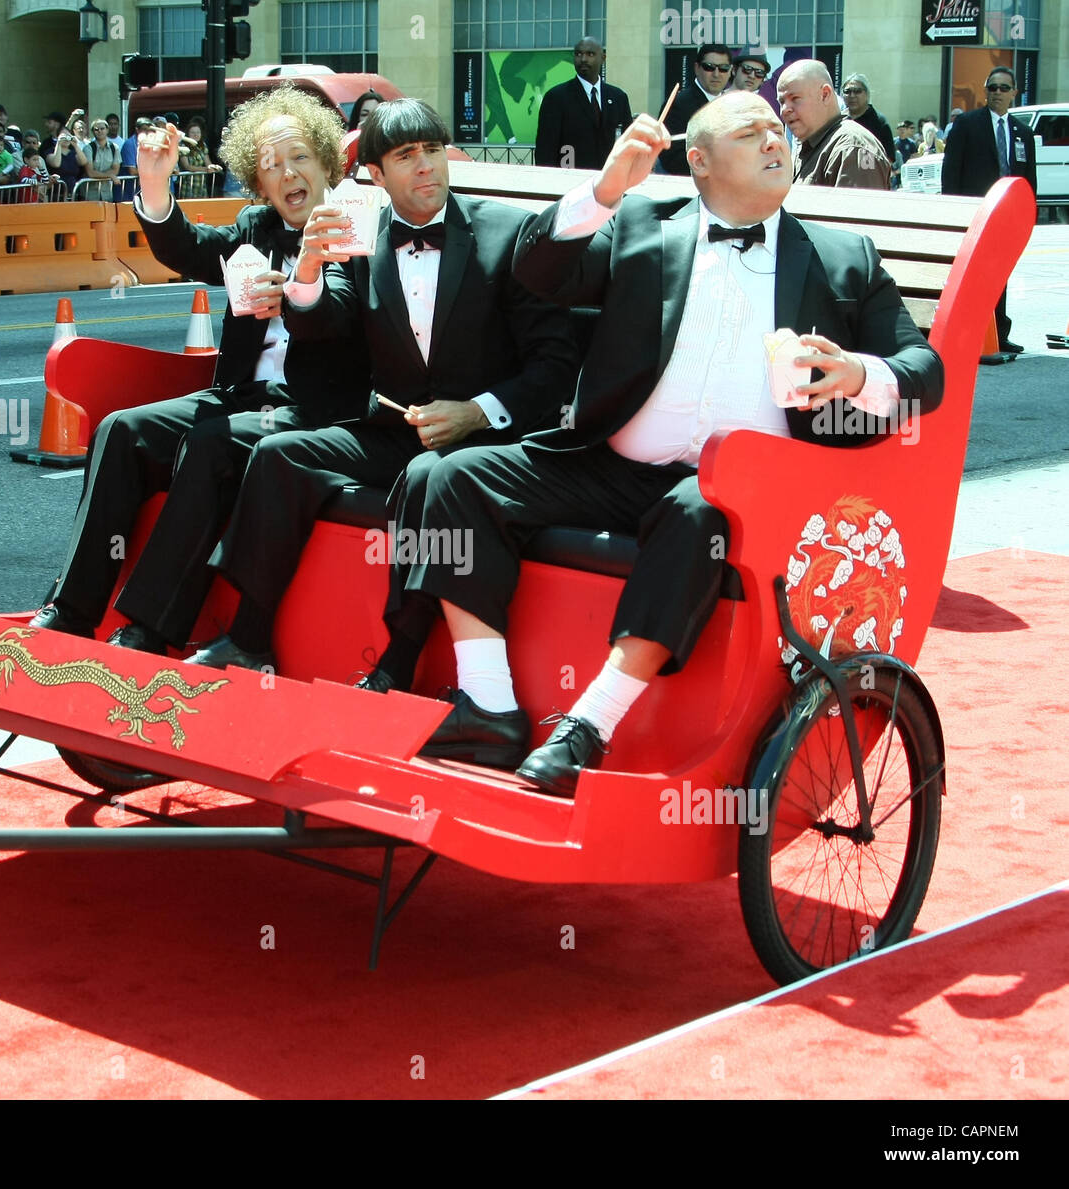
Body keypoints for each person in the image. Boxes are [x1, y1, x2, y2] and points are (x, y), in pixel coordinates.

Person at [401, 91, 944, 788]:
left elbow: (923, 371)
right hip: (614, 466)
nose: (774, 140)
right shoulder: (640, 225)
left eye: (778, 129)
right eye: (750, 133)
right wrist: (603, 190)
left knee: (697, 511)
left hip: (746, 493)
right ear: (700, 161)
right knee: (455, 477)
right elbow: (538, 271)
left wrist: (856, 374)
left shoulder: (845, 258)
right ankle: (491, 705)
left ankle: (588, 726)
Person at [189, 98, 576, 675]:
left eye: (432, 150)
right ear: (375, 174)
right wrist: (310, 269)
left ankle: (398, 661)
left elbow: (555, 363)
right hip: (399, 429)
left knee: (429, 479)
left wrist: (476, 411)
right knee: (278, 456)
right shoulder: (359, 234)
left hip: (490, 438)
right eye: (405, 156)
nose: (426, 167)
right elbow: (326, 321)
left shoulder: (507, 230)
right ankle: (249, 635)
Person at [29, 86, 371, 650]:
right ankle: (70, 609)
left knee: (214, 443)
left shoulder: (353, 223)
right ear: (257, 182)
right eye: (271, 166)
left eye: (299, 158)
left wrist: (292, 291)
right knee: (122, 431)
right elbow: (188, 248)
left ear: (327, 161)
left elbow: (348, 313)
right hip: (243, 394)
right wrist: (156, 183)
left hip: (317, 408)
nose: (288, 174)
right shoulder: (257, 225)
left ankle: (152, 629)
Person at [941, 67, 1035, 353]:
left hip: (1007, 216)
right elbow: (951, 171)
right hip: (975, 213)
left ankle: (999, 334)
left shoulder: (1023, 132)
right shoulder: (968, 124)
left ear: (1014, 93)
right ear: (986, 91)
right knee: (973, 276)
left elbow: (1029, 178)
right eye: (992, 87)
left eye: (1003, 88)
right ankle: (971, 336)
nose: (997, 93)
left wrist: (1027, 217)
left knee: (1000, 275)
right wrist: (954, 212)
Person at [777, 59, 890, 189]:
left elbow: (857, 208)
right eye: (781, 101)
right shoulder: (807, 147)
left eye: (795, 98)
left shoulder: (852, 149)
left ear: (825, 95)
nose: (785, 109)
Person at [534, 36, 632, 170]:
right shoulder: (556, 98)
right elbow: (545, 151)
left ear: (603, 58)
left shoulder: (618, 97)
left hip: (609, 182)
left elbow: (628, 145)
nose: (583, 59)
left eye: (590, 54)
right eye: (578, 54)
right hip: (571, 182)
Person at [658, 43, 732, 175]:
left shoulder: (733, 105)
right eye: (709, 67)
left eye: (723, 68)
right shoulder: (679, 104)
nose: (716, 74)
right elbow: (670, 156)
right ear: (697, 68)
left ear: (731, 70)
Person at [840, 73, 894, 164]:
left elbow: (889, 158)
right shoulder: (838, 120)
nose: (852, 95)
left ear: (867, 94)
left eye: (857, 91)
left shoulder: (879, 121)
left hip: (869, 173)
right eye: (847, 91)